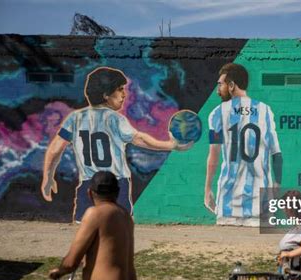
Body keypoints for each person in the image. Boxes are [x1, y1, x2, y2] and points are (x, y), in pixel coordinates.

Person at [41, 66, 191, 222]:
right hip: (116, 184)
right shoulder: (115, 119)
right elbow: (140, 139)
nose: (124, 94)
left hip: (89, 185)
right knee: (119, 233)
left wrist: (48, 176)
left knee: (85, 232)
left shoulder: (75, 118)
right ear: (106, 95)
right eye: (120, 90)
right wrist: (170, 145)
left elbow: (55, 149)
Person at [48, 171, 139, 280]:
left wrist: (59, 272)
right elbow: (109, 249)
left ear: (90, 193)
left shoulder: (95, 213)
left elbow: (71, 262)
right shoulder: (124, 214)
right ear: (117, 192)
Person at [204, 63, 283, 226]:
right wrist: (276, 186)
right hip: (261, 202)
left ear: (232, 85)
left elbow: (214, 155)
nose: (218, 89)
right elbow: (277, 155)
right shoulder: (266, 111)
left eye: (221, 84)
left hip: (228, 201)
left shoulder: (217, 113)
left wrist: (207, 189)